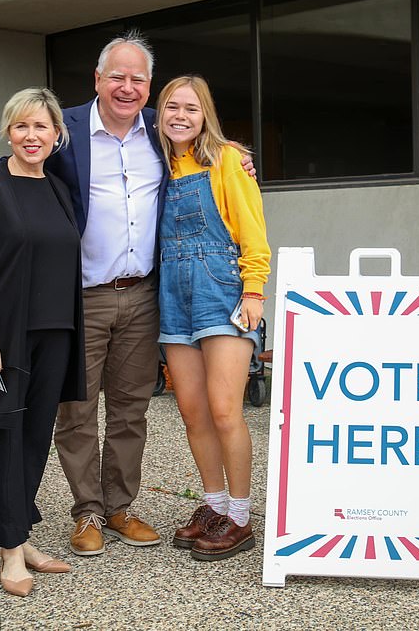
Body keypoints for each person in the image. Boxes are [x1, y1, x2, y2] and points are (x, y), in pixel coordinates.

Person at [0, 31, 255, 557]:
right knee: (75, 408)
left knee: (131, 407)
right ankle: (87, 511)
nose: (127, 87)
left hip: (145, 293)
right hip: (80, 295)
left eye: (138, 79)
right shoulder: (65, 128)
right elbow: (24, 150)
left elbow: (205, 152)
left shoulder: (161, 132)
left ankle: (120, 506)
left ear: (149, 88)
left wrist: (234, 154)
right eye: (116, 76)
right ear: (97, 80)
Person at [0, 87, 86, 597]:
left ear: (56, 135)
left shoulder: (55, 187)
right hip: (3, 337)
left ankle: (19, 534)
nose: (32, 136)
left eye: (42, 127)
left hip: (56, 333)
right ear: (8, 131)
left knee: (34, 437)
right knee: (5, 438)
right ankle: (10, 555)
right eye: (22, 126)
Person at [156, 75, 271, 560]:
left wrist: (254, 290)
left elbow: (252, 231)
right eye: (171, 107)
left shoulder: (226, 159)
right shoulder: (155, 164)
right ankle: (214, 504)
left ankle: (241, 517)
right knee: (192, 412)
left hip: (222, 292)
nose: (181, 116)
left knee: (226, 410)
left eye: (192, 108)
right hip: (171, 296)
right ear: (157, 114)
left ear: (206, 115)